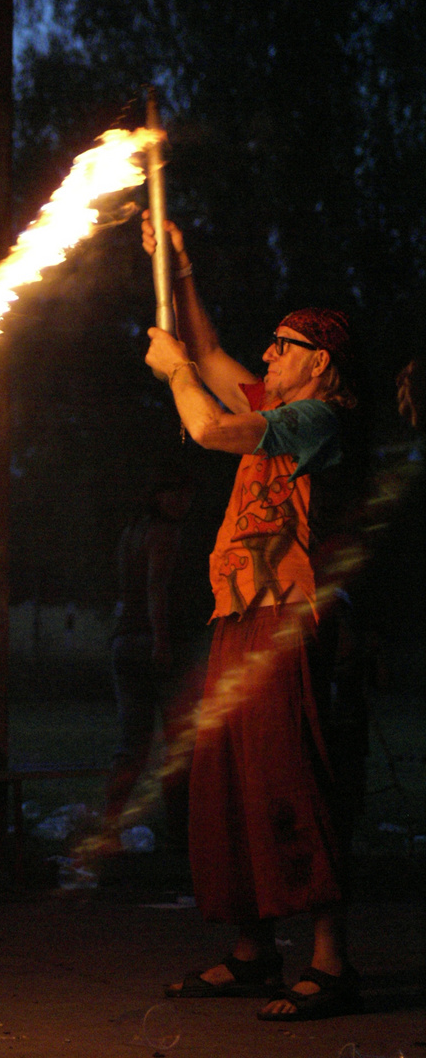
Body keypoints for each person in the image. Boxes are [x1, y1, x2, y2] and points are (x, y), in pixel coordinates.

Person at [142, 211, 363, 1021]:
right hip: (238, 616)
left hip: (287, 620)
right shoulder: (279, 399)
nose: (266, 355)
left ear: (320, 361)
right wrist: (180, 266)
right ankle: (250, 953)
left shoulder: (316, 419)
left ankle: (331, 964)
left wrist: (172, 375)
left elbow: (205, 423)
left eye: (282, 345)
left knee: (288, 781)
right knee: (224, 785)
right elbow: (208, 352)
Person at [103, 478, 198, 848]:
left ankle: (110, 828)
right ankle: (181, 834)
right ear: (156, 494)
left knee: (134, 743)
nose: (182, 498)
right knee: (178, 743)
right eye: (174, 490)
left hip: (126, 640)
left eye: (185, 491)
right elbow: (155, 586)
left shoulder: (132, 531)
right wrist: (161, 640)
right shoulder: (164, 534)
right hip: (153, 642)